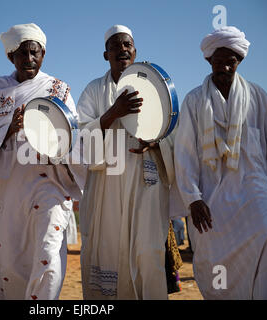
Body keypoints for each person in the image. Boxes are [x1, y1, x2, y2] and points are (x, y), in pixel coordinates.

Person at [174, 26, 267, 299]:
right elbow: (184, 153)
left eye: (231, 61)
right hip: (211, 195)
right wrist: (192, 198)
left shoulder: (257, 96)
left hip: (255, 188)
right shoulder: (195, 100)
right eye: (219, 61)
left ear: (239, 61)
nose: (225, 67)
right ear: (209, 61)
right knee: (214, 255)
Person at [0, 23, 86, 300]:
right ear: (11, 56)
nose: (29, 59)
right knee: (10, 263)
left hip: (50, 185)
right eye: (22, 54)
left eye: (35, 53)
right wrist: (9, 127)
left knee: (49, 255)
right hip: (8, 191)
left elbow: (75, 138)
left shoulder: (58, 89)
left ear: (43, 54)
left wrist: (50, 140)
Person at [76, 25, 177, 299]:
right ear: (105, 54)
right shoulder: (94, 90)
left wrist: (157, 142)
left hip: (147, 184)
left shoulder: (154, 84)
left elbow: (173, 130)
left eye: (127, 45)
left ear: (135, 51)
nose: (122, 49)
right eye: (116, 46)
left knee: (147, 252)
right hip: (106, 188)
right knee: (108, 250)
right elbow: (80, 139)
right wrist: (113, 112)